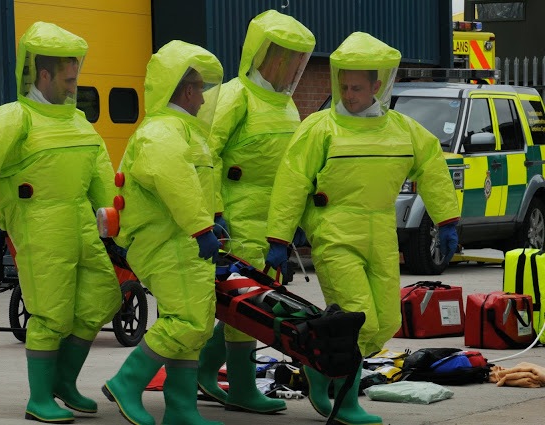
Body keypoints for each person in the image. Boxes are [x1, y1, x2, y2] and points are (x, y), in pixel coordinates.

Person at [264, 32, 460, 425]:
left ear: (377, 86)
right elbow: (292, 182)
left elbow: (433, 168)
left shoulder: (402, 130)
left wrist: (447, 220)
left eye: (357, 88)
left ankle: (319, 370)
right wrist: (279, 238)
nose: (349, 95)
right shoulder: (320, 128)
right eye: (344, 86)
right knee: (356, 318)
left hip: (381, 230)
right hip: (334, 231)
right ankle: (346, 401)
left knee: (386, 321)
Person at [0, 22, 122, 424]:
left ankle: (63, 381)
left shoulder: (78, 122)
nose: (74, 85)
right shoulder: (13, 118)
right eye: (68, 78)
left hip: (79, 222)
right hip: (39, 225)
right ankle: (39, 398)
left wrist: (117, 220)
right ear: (43, 74)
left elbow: (100, 173)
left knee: (103, 295)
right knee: (50, 313)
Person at [197, 9, 316, 415]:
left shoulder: (285, 105)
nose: (295, 68)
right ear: (267, 55)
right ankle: (241, 387)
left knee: (254, 303)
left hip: (270, 221)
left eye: (300, 60)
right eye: (289, 58)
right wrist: (214, 210)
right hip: (237, 217)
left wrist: (292, 222)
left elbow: (293, 170)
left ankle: (206, 371)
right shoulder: (235, 96)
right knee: (246, 304)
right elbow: (207, 153)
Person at [101, 40, 224, 425]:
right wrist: (202, 227)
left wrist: (212, 221)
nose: (203, 99)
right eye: (200, 90)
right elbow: (176, 183)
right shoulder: (163, 132)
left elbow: (197, 185)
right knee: (186, 321)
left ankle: (182, 410)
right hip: (169, 243)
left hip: (183, 243)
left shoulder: (180, 131)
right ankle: (127, 382)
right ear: (186, 91)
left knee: (195, 325)